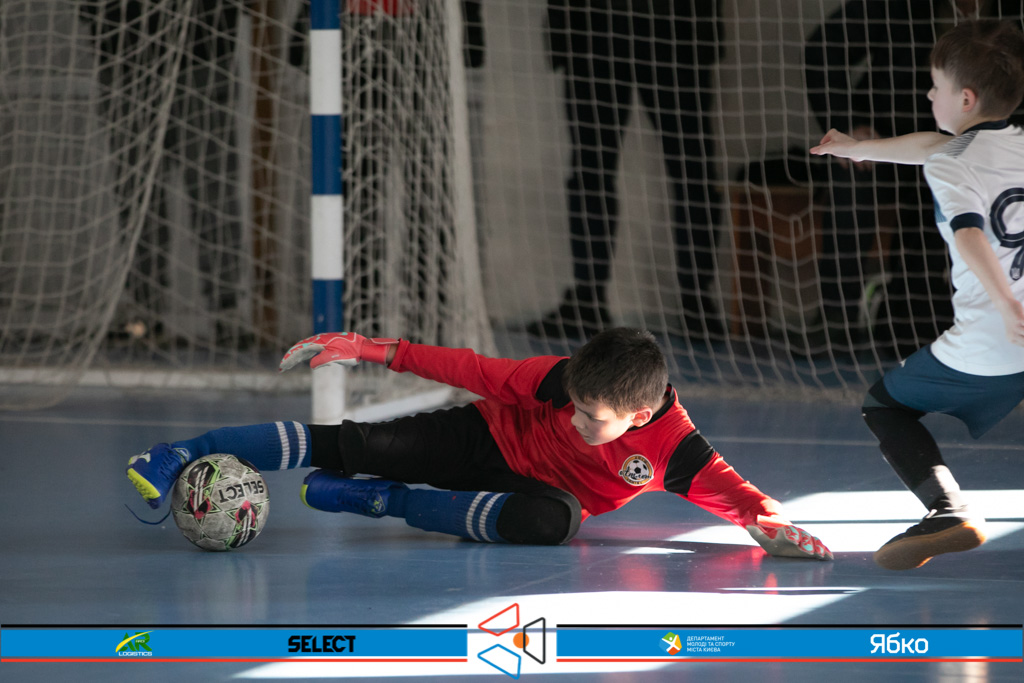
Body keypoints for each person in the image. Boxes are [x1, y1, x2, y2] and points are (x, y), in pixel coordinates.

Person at [126, 327, 830, 559]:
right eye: (575, 407)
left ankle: (380, 502)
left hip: (530, 494)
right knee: (352, 442)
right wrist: (368, 347)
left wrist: (777, 528)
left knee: (556, 523)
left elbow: (744, 498)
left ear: (641, 413)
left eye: (594, 418)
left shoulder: (676, 449)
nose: (577, 421)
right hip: (478, 440)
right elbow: (469, 369)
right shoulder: (555, 379)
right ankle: (180, 450)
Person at [811, 19, 1024, 570]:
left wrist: (1006, 304)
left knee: (885, 405)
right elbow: (932, 145)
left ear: (966, 98)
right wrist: (858, 147)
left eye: (936, 86)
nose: (929, 95)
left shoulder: (954, 165)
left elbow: (970, 232)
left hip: (998, 337)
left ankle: (948, 510)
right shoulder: (1007, 144)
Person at [528, 1, 724, 340]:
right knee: (592, 169)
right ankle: (588, 296)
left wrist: (704, 32)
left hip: (672, 27)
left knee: (692, 169)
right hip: (594, 27)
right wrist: (562, 33)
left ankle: (697, 301)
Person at [804, 0, 963, 353]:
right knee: (853, 174)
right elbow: (822, 48)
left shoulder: (1006, 14)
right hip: (884, 138)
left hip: (958, 146)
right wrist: (847, 124)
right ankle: (837, 317)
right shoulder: (898, 7)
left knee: (949, 191)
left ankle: (917, 319)